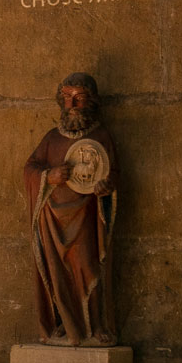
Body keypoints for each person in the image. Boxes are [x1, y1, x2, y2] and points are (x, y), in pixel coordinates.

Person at [23, 72, 118, 345]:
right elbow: (30, 169)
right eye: (67, 98)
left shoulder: (101, 136)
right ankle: (65, 324)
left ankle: (95, 325)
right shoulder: (52, 138)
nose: (72, 105)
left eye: (79, 98)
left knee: (88, 266)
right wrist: (48, 176)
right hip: (53, 218)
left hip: (86, 217)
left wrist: (107, 186)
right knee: (58, 272)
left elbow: (115, 174)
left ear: (92, 101)